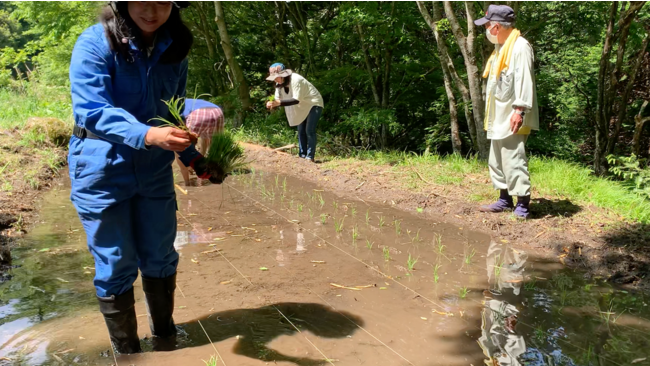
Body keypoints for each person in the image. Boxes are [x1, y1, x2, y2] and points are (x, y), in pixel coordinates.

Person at [68, 1, 220, 354]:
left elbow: (173, 115)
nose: (152, 10)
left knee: (160, 254)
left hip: (152, 169)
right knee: (116, 259)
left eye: (162, 1)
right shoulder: (95, 43)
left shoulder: (174, 48)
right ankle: (128, 353)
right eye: (141, 0)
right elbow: (92, 110)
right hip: (100, 167)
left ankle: (166, 342)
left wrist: (193, 158)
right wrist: (149, 136)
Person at [475, 5, 539, 219]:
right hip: (498, 113)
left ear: (496, 27)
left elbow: (524, 80)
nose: (485, 30)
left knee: (513, 158)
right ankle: (504, 199)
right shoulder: (501, 46)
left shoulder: (520, 46)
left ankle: (522, 204)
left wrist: (519, 110)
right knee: (497, 159)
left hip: (513, 114)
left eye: (486, 25)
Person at [265, 63, 324, 162]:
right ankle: (302, 156)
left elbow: (296, 100)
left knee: (309, 130)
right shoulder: (278, 85)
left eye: (277, 77)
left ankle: (310, 157)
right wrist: (271, 104)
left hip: (313, 103)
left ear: (283, 75)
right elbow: (277, 99)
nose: (275, 80)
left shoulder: (296, 80)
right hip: (301, 107)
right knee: (301, 131)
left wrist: (278, 103)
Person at [175, 99, 224, 186]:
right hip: (217, 111)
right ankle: (212, 175)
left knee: (180, 147)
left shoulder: (169, 109)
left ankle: (187, 183)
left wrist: (189, 162)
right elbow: (204, 141)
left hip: (197, 113)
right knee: (214, 147)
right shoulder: (184, 100)